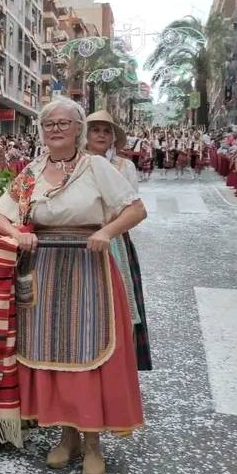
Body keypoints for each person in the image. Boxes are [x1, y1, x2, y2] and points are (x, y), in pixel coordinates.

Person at [0, 98, 147, 474]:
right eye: (49, 124)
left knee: (90, 350)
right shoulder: (32, 171)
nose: (56, 129)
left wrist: (106, 232)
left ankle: (93, 442)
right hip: (45, 266)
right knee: (54, 351)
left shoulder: (97, 167)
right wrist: (16, 234)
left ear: (78, 129)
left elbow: (136, 209)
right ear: (41, 131)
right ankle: (67, 436)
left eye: (64, 123)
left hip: (88, 266)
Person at [85, 111, 151, 372]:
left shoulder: (125, 167)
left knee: (122, 304)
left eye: (106, 130)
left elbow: (130, 208)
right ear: (85, 135)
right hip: (80, 239)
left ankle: (121, 366)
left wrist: (107, 226)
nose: (101, 134)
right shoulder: (74, 163)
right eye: (95, 130)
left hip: (112, 240)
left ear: (113, 138)